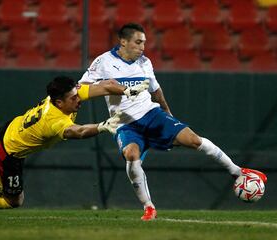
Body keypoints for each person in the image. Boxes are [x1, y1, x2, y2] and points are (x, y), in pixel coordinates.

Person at [79, 23, 268, 221]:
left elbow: (156, 90)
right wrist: (106, 86)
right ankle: (149, 207)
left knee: (194, 140)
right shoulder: (103, 62)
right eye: (138, 42)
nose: (142, 47)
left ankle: (237, 171)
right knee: (131, 155)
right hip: (125, 124)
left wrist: (167, 112)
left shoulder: (145, 62)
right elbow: (82, 88)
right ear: (123, 41)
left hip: (152, 115)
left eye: (144, 42)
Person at [0, 75, 149, 218]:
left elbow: (105, 86)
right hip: (9, 151)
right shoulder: (54, 120)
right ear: (60, 102)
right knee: (13, 201)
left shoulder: (65, 97)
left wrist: (127, 91)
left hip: (9, 127)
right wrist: (102, 126)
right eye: (73, 98)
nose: (78, 99)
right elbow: (77, 132)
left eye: (77, 94)